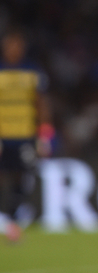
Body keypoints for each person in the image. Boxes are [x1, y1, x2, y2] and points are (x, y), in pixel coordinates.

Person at [0, 28, 54, 243]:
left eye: (18, 45)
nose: (15, 49)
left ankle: (10, 220)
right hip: (3, 136)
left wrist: (45, 134)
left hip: (24, 135)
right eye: (11, 45)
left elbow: (42, 104)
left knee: (24, 178)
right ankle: (7, 222)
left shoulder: (33, 71)